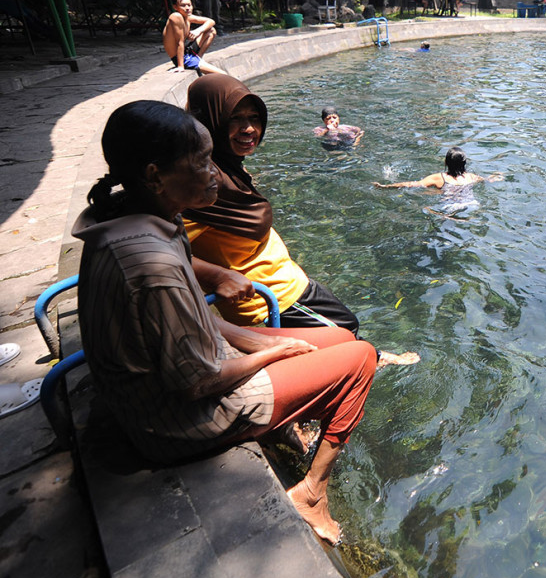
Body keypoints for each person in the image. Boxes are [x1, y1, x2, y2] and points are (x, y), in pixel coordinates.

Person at [74, 99, 387, 544]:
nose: (213, 173)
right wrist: (275, 352)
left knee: (336, 335)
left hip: (184, 370)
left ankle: (294, 413)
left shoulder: (145, 217)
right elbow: (198, 381)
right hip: (174, 421)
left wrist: (258, 344)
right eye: (201, 162)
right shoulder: (151, 263)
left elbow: (191, 321)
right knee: (360, 358)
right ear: (153, 175)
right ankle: (313, 492)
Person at [182, 76, 419, 366]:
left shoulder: (227, 169)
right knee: (344, 339)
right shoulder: (198, 185)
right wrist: (217, 276)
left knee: (346, 325)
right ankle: (370, 363)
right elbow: (164, 250)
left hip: (286, 280)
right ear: (210, 120)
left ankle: (370, 360)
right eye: (235, 119)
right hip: (267, 299)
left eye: (254, 118)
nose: (249, 129)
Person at [373, 147, 502, 190]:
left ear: (446, 162)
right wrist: (498, 175)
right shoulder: (471, 177)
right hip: (471, 205)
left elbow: (411, 184)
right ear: (464, 164)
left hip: (449, 207)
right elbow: (488, 179)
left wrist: (385, 186)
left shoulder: (439, 178)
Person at [162, 0, 224, 75]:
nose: (187, 8)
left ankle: (199, 57)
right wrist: (180, 66)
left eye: (189, 5)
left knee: (211, 30)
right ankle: (195, 62)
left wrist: (198, 31)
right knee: (223, 74)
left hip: (188, 51)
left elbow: (211, 21)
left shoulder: (188, 17)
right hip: (183, 58)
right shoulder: (176, 16)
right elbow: (179, 42)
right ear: (175, 7)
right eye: (183, 5)